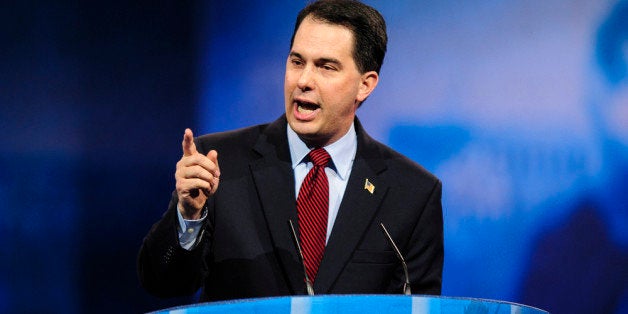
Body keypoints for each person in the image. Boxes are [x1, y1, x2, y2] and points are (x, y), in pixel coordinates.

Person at [138, 0, 443, 303]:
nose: (303, 80)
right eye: (297, 62)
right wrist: (188, 216)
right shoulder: (219, 163)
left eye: (326, 67)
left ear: (365, 85)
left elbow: (420, 307)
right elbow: (163, 283)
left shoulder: (413, 193)